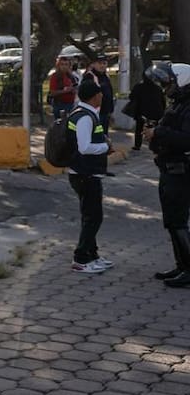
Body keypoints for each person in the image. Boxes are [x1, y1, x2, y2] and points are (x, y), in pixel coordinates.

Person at [142, 62, 190, 287]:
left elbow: (185, 139)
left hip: (181, 172)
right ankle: (182, 266)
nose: (165, 87)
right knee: (171, 221)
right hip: (169, 169)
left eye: (168, 82)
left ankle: (189, 270)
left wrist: (159, 131)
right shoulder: (178, 104)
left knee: (178, 222)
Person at [66, 76, 113, 274]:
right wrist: (106, 146)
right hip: (85, 174)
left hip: (85, 173)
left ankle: (92, 255)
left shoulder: (84, 112)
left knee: (91, 216)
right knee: (93, 218)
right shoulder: (85, 117)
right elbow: (84, 147)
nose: (102, 95)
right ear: (94, 97)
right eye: (100, 93)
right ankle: (81, 259)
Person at [126, 70, 166, 151]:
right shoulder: (157, 88)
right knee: (155, 128)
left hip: (141, 112)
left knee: (139, 129)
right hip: (156, 112)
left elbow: (131, 97)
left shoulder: (139, 86)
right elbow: (163, 100)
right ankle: (156, 145)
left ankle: (137, 145)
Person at [85, 54, 115, 130]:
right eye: (99, 63)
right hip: (95, 113)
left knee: (104, 135)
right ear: (94, 64)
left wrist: (111, 111)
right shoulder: (90, 76)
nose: (102, 65)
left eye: (104, 63)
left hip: (106, 112)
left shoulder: (106, 76)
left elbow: (110, 93)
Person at [49, 56, 77, 124]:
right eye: (62, 64)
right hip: (59, 104)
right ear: (58, 65)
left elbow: (76, 86)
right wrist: (65, 91)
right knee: (60, 125)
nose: (64, 66)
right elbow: (52, 93)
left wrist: (74, 90)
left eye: (66, 64)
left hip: (70, 104)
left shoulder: (71, 76)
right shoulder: (55, 76)